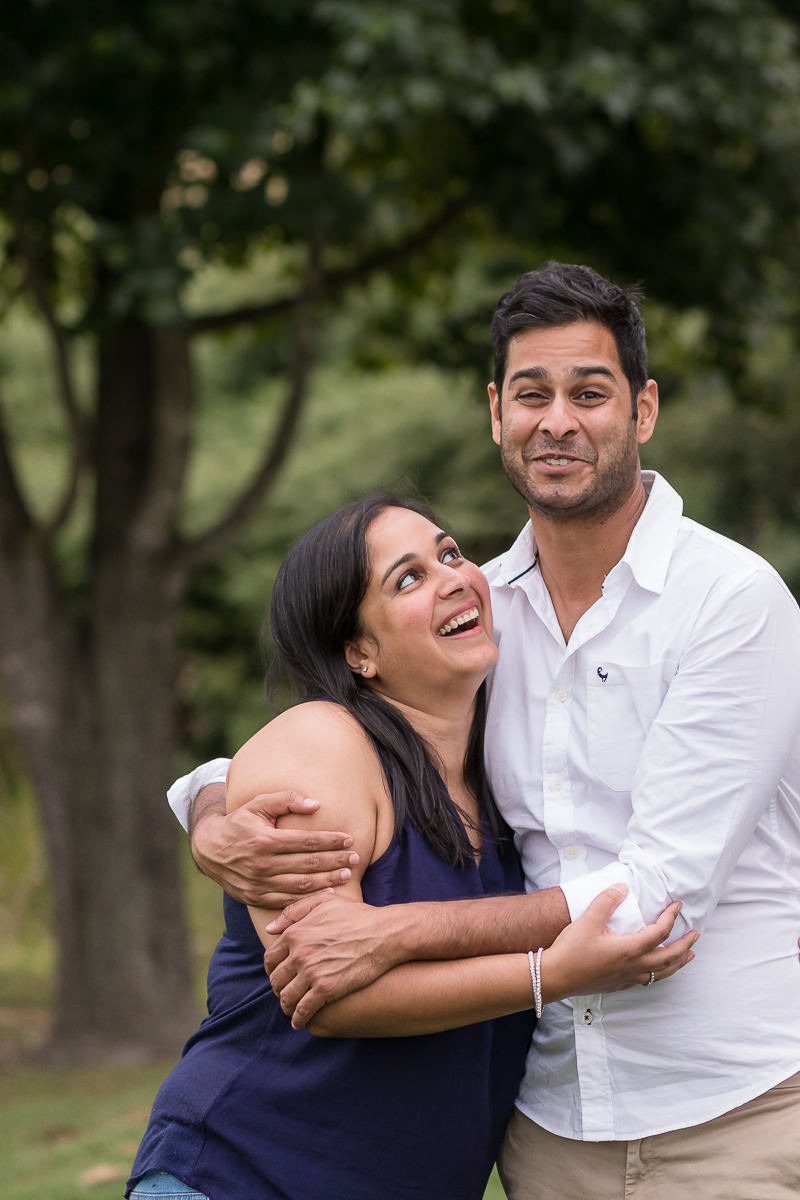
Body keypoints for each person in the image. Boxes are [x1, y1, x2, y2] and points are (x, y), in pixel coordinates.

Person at [175, 262, 800, 1200]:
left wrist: (388, 934)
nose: (558, 421)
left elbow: (657, 891)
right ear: (495, 413)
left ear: (644, 412)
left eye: (590, 392)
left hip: (731, 1112)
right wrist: (211, 805)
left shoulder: (731, 601)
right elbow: (350, 727)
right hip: (548, 1130)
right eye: (530, 394)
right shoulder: (485, 616)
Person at [128, 492, 693, 1200]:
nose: (455, 576)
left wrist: (204, 802)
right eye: (409, 577)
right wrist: (550, 973)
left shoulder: (499, 757)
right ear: (358, 651)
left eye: (450, 553)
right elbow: (326, 996)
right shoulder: (324, 743)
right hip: (247, 1172)